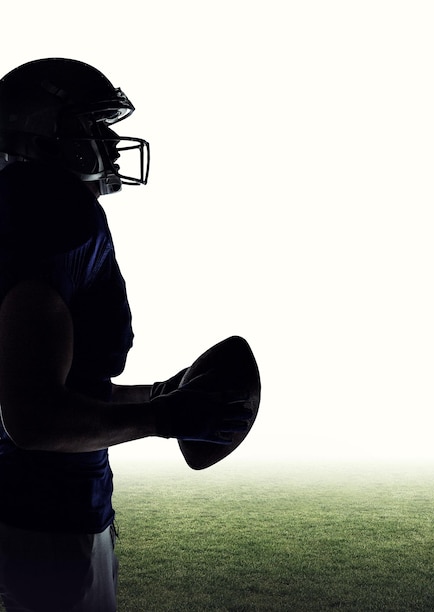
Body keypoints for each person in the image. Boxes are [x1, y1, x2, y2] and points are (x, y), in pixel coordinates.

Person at [0, 58, 254, 612]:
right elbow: (32, 419)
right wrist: (165, 419)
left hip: (29, 513)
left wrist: (158, 393)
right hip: (46, 521)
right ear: (44, 136)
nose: (112, 143)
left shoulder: (15, 210)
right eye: (92, 126)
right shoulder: (55, 212)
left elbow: (50, 383)